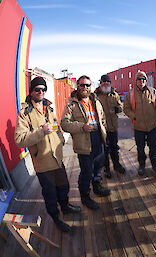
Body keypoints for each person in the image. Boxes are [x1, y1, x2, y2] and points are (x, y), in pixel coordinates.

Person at [15, 77, 81, 232]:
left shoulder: (49, 108)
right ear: (31, 91)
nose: (41, 92)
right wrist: (40, 132)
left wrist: (60, 141)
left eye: (43, 89)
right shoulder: (25, 113)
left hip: (57, 158)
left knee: (64, 186)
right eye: (37, 89)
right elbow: (19, 140)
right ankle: (56, 217)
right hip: (42, 162)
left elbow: (56, 126)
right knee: (50, 194)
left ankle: (65, 206)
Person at [61, 75, 110, 211]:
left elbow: (103, 117)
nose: (85, 88)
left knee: (98, 167)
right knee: (87, 172)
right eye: (82, 85)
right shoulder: (72, 104)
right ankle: (85, 196)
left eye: (87, 85)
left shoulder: (96, 100)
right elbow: (64, 124)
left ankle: (97, 186)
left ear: (91, 86)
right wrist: (82, 127)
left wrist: (103, 130)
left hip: (98, 138)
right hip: (83, 142)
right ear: (78, 86)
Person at [123, 71, 156, 176]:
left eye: (144, 79)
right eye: (139, 79)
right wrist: (134, 116)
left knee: (153, 147)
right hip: (138, 127)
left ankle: (155, 165)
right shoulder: (130, 94)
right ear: (136, 81)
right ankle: (142, 166)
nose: (142, 81)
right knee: (140, 148)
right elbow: (126, 108)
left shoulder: (152, 91)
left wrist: (155, 113)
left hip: (152, 126)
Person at [95, 74, 126, 178]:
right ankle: (106, 169)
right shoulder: (95, 96)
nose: (106, 84)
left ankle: (117, 166)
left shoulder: (114, 94)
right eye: (103, 82)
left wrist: (116, 110)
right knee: (104, 150)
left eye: (107, 82)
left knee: (114, 148)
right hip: (102, 129)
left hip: (113, 127)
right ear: (100, 83)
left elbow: (120, 107)